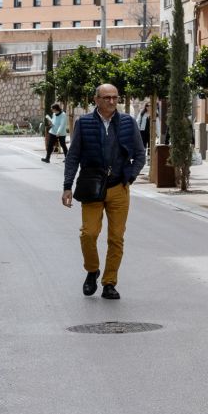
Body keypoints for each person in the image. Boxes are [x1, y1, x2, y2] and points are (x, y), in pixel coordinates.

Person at [60, 83, 146, 300]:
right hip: (92, 188)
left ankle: (109, 282)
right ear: (96, 99)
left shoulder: (127, 122)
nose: (112, 102)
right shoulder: (84, 122)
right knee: (88, 234)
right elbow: (73, 156)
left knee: (116, 238)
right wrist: (67, 186)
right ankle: (92, 270)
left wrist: (131, 177)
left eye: (115, 98)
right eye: (107, 97)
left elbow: (139, 153)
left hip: (119, 188)